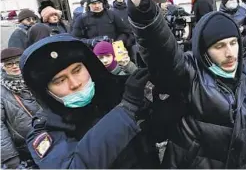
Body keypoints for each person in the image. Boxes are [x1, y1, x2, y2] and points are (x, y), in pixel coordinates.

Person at [95, 0, 246, 168]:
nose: (230, 53)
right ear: (204, 51)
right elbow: (160, 49)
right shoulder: (190, 75)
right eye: (219, 46)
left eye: (233, 43)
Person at [20, 34, 159, 168]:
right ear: (46, 92)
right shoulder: (46, 130)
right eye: (60, 80)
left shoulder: (116, 93)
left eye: (77, 70)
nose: (75, 83)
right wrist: (126, 111)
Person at [1, 47, 42, 169]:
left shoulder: (37, 79)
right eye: (9, 64)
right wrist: (10, 158)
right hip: (26, 149)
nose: (14, 66)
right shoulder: (2, 92)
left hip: (52, 139)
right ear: (4, 67)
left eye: (17, 62)